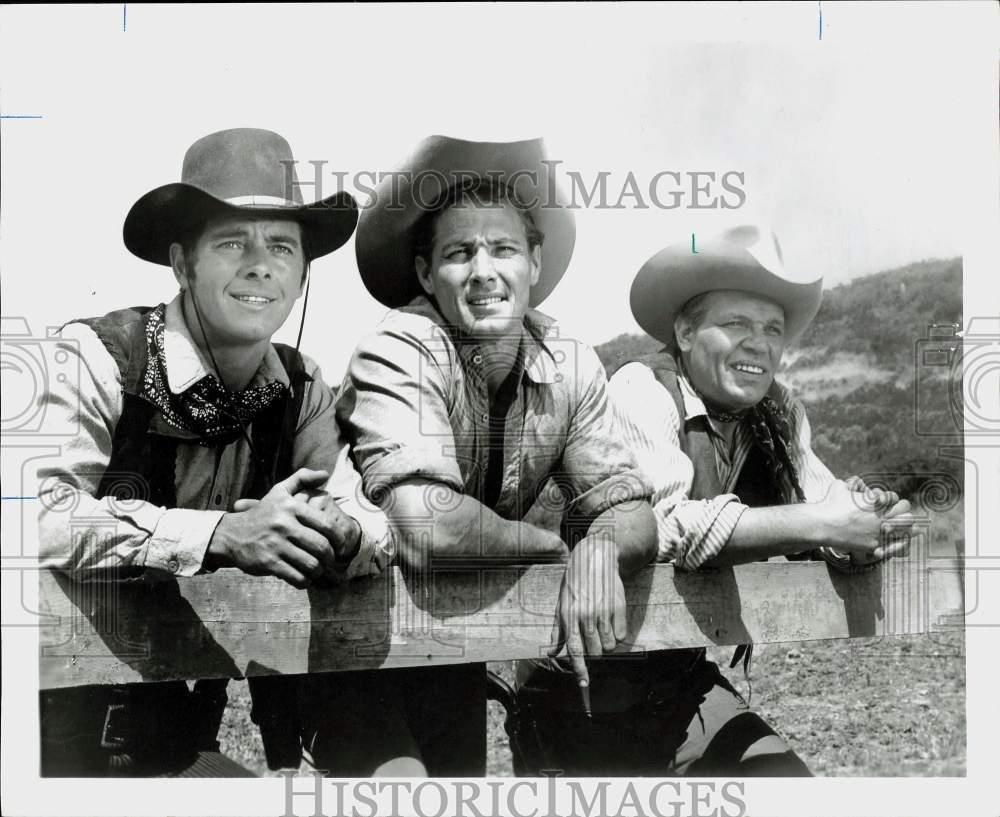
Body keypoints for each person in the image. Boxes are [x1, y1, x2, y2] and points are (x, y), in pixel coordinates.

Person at [36, 128, 391, 777]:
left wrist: (342, 532)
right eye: (233, 242)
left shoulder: (302, 386)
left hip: (181, 733)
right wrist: (221, 534)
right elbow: (41, 518)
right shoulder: (93, 357)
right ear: (181, 263)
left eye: (282, 246)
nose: (261, 266)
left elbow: (368, 516)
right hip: (47, 737)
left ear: (303, 272)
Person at [513, 223, 913, 776]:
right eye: (736, 323)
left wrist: (870, 527)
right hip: (572, 692)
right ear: (683, 331)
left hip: (678, 684)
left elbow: (825, 507)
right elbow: (667, 525)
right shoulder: (642, 390)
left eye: (773, 328)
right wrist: (824, 522)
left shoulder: (778, 413)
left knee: (785, 785)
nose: (760, 342)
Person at [324, 135, 658, 776]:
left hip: (454, 632)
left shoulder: (570, 364)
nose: (483, 271)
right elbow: (428, 527)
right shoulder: (401, 344)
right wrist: (558, 549)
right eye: (458, 253)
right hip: (352, 631)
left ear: (534, 262)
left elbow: (633, 508)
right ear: (426, 275)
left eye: (503, 249)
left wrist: (601, 547)